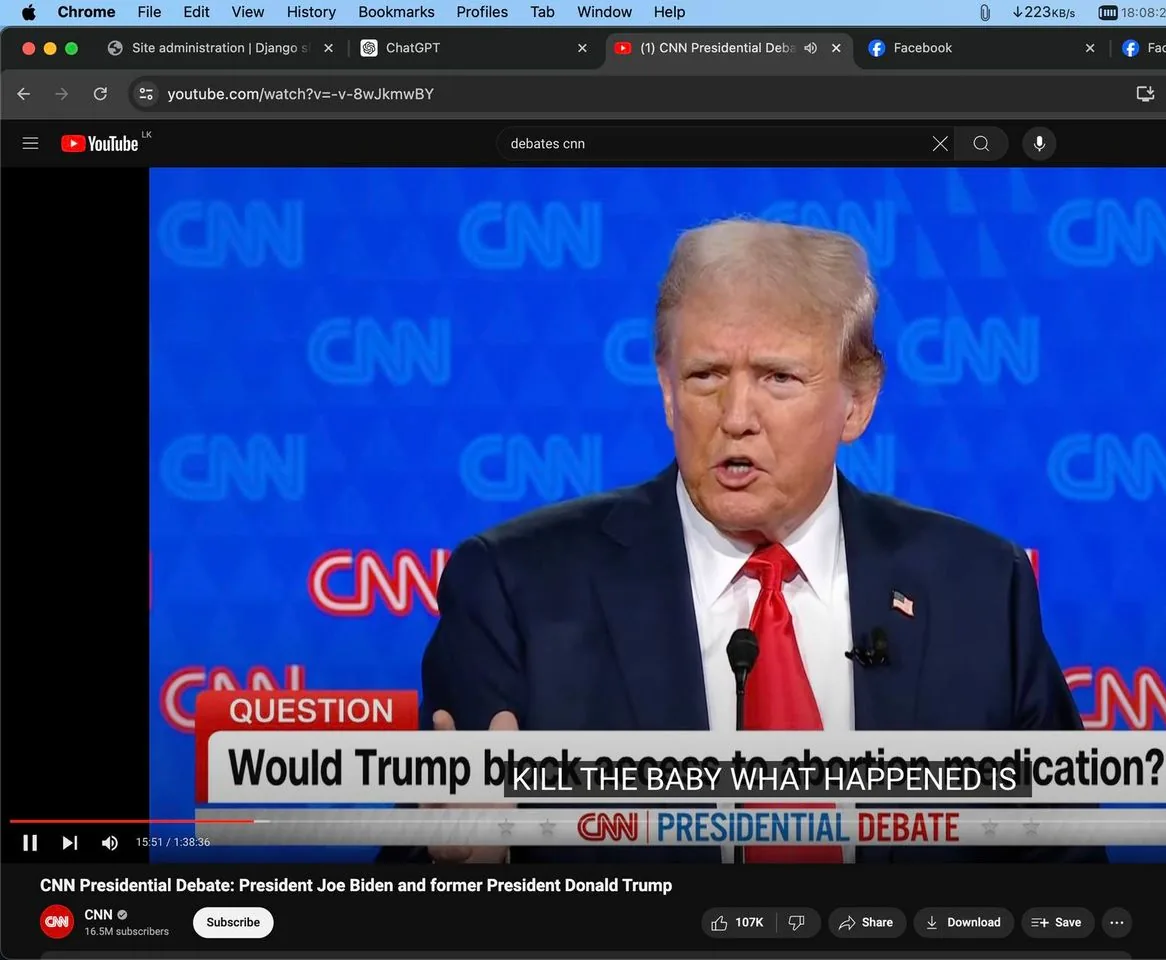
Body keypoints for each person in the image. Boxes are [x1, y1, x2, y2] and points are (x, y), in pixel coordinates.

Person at [402, 219, 1103, 865]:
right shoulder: (517, 590)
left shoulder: (979, 589)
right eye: (706, 376)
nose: (736, 416)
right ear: (667, 390)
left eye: (778, 377)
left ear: (858, 401)